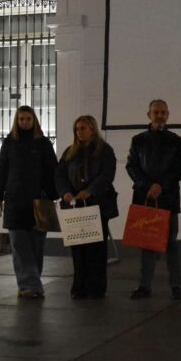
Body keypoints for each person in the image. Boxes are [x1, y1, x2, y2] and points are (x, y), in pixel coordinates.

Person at [0, 106, 58, 299]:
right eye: (21, 119)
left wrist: (53, 195)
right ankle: (29, 285)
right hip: (14, 201)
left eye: (28, 119)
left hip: (39, 201)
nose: (24, 122)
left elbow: (53, 170)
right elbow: (1, 171)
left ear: (34, 120)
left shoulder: (43, 144)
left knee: (36, 246)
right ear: (16, 121)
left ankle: (30, 284)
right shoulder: (9, 143)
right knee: (19, 246)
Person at [126, 99, 181, 300]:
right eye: (156, 112)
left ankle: (176, 286)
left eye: (163, 112)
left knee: (171, 244)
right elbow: (131, 167)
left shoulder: (176, 140)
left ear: (167, 115)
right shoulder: (138, 140)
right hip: (145, 199)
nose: (159, 115)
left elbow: (179, 169)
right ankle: (144, 286)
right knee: (146, 244)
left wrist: (160, 185)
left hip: (168, 198)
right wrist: (147, 185)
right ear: (149, 115)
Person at [55, 115, 119, 300]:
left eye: (83, 128)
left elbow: (107, 175)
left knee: (96, 249)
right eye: (77, 129)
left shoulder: (104, 151)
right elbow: (59, 175)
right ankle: (79, 287)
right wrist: (65, 192)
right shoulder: (69, 152)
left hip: (97, 205)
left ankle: (96, 288)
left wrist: (90, 191)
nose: (79, 132)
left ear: (92, 129)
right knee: (78, 248)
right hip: (75, 206)